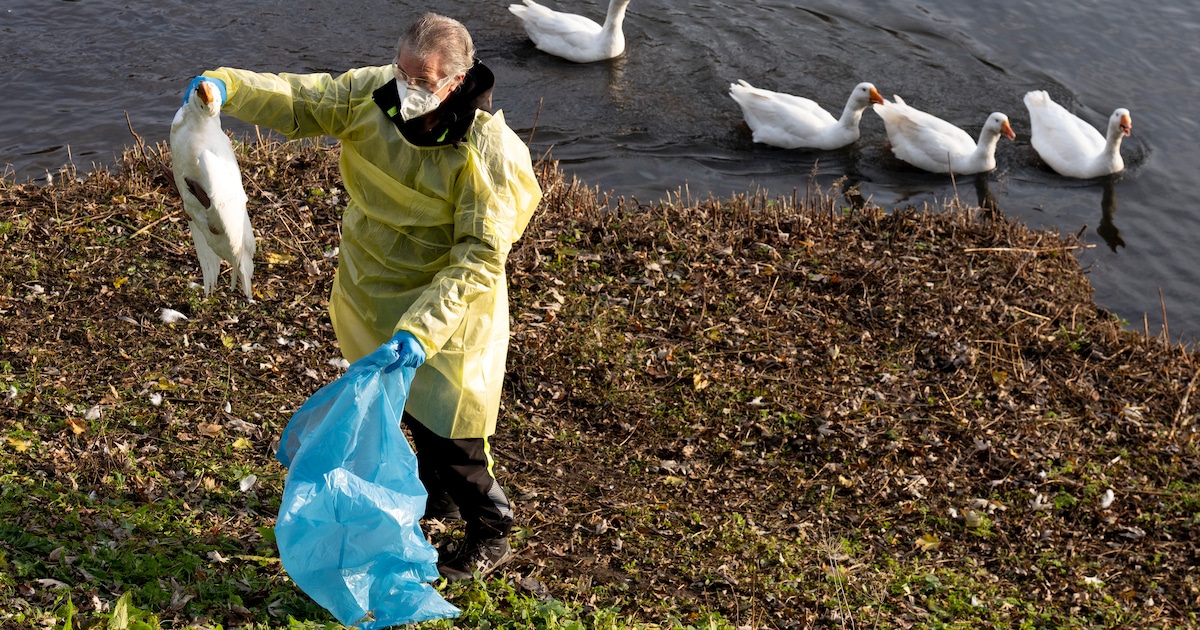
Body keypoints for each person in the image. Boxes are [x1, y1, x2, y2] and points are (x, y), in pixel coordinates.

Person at [185, 12, 542, 580]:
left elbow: (477, 258)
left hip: (446, 308)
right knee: (401, 406)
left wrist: (421, 330)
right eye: (403, 73)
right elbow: (300, 101)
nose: (407, 91)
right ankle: (437, 499)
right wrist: (227, 86)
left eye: (424, 82)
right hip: (372, 284)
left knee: (452, 428)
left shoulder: (488, 152)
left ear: (457, 81)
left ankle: (491, 527)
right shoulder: (370, 97)